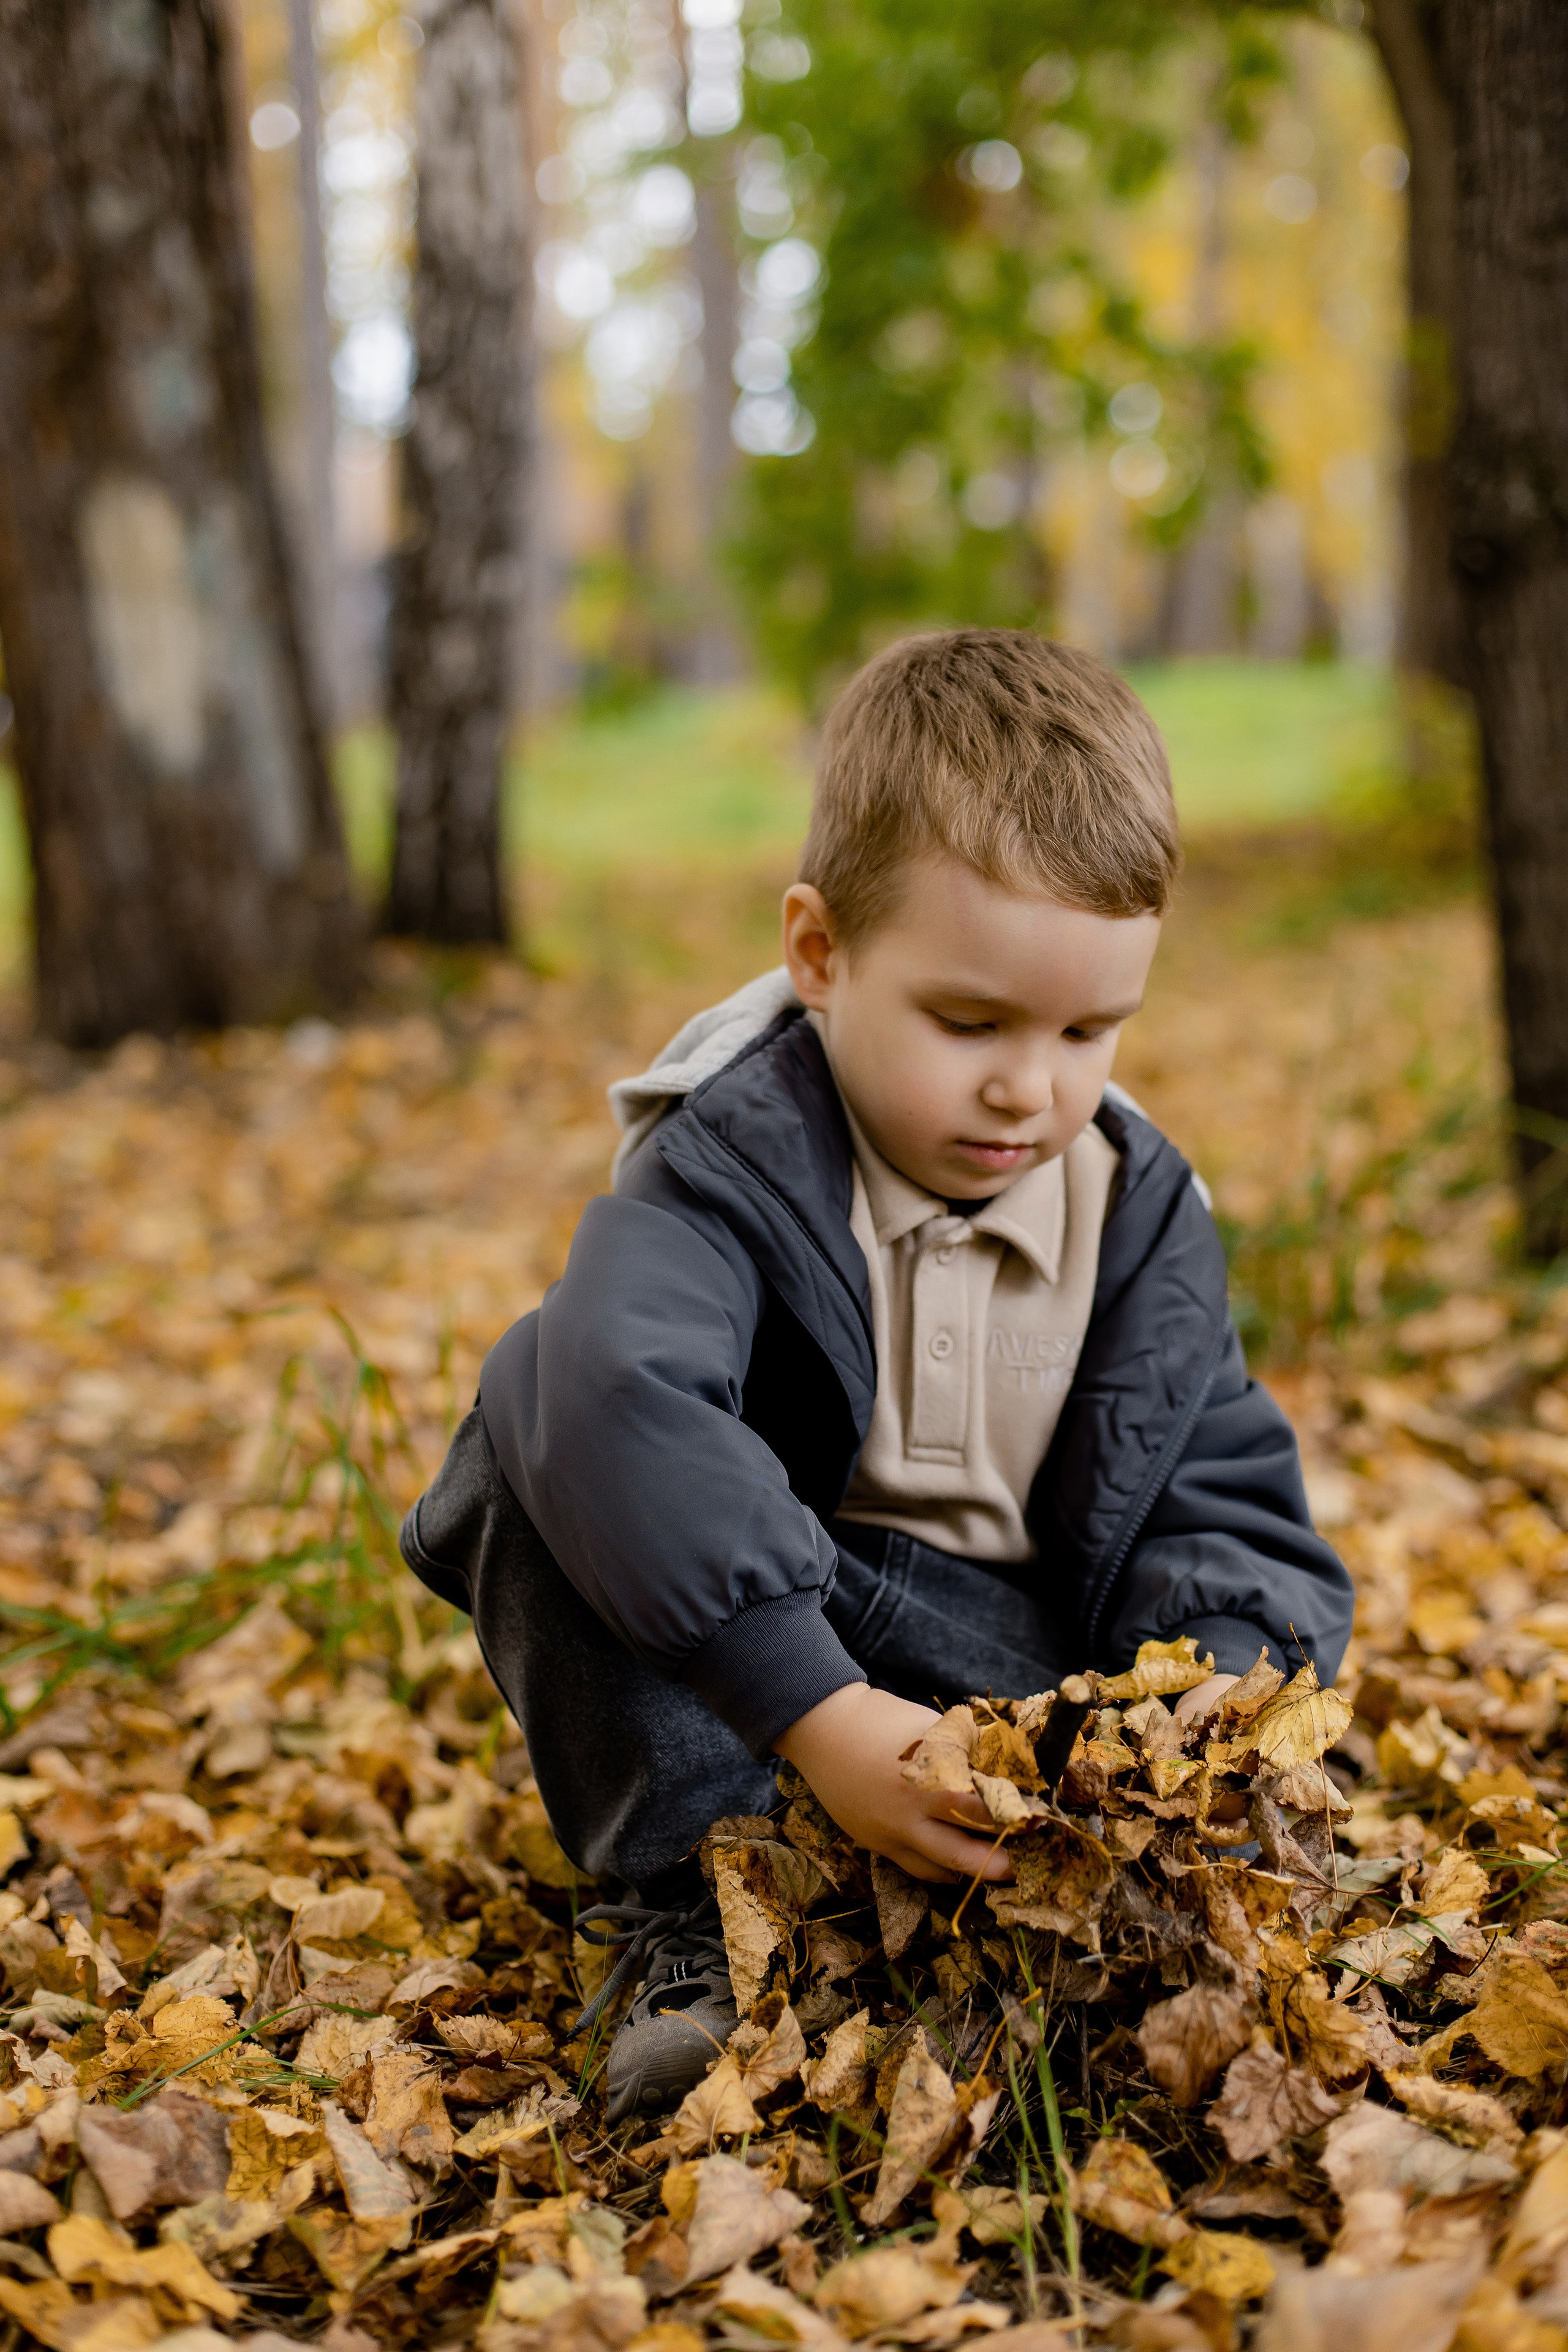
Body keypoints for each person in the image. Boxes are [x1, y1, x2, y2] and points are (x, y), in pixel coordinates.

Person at [399, 628, 1352, 2125]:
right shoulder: (731, 1164)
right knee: (536, 1425)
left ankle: (1049, 1914)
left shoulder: (1134, 1211)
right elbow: (609, 1392)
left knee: (1201, 1726)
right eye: (967, 1023)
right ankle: (703, 1903)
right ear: (819, 954)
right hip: (772, 1638)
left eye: (1087, 1031)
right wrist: (820, 1714)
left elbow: (1218, 1495)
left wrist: (1198, 1714)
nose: (1026, 1086)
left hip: (1013, 1661)